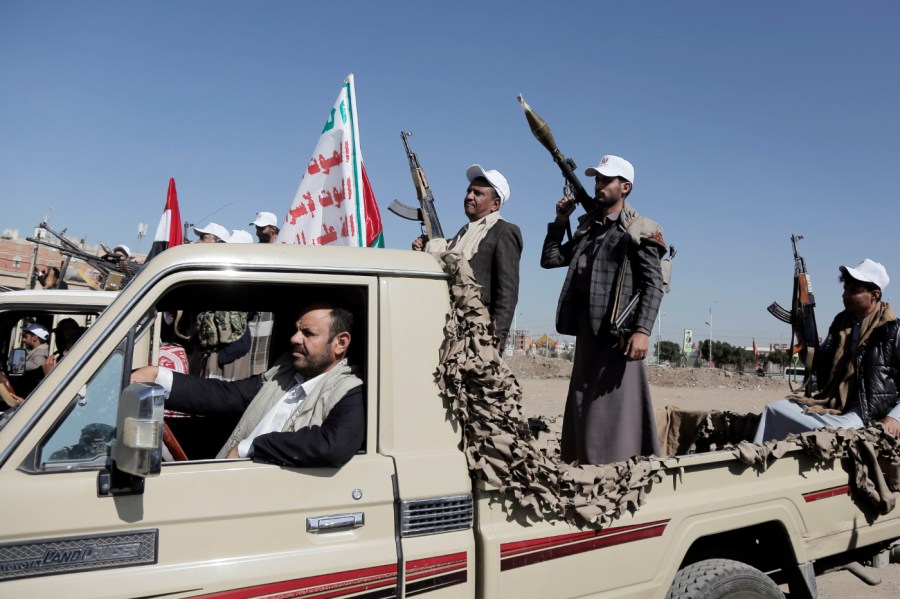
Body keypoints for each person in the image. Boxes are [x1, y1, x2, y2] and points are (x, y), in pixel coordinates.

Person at [541, 155, 665, 465]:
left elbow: (653, 284)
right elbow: (551, 259)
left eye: (605, 180)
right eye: (596, 179)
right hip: (586, 337)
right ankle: (582, 472)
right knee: (582, 413)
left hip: (617, 340)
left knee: (614, 419)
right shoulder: (588, 228)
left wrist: (642, 330)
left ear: (625, 187)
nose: (598, 184)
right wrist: (560, 220)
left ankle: (620, 477)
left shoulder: (638, 229)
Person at [132, 302, 364, 467]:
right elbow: (228, 395)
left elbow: (332, 445)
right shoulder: (283, 372)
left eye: (308, 333)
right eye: (296, 330)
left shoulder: (349, 390)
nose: (294, 338)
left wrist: (251, 447)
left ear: (340, 343)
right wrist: (157, 377)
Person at [754, 259, 900, 442]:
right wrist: (803, 334)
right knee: (775, 410)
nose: (845, 295)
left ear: (875, 295)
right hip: (831, 403)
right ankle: (760, 464)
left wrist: (895, 417)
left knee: (831, 433)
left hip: (867, 411)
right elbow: (820, 367)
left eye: (853, 291)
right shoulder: (840, 324)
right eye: (845, 289)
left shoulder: (892, 330)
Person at [412, 164, 522, 348]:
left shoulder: (504, 231)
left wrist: (494, 345)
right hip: (450, 329)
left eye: (478, 193)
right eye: (469, 191)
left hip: (477, 335)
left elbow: (507, 296)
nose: (469, 196)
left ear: (495, 204)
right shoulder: (461, 235)